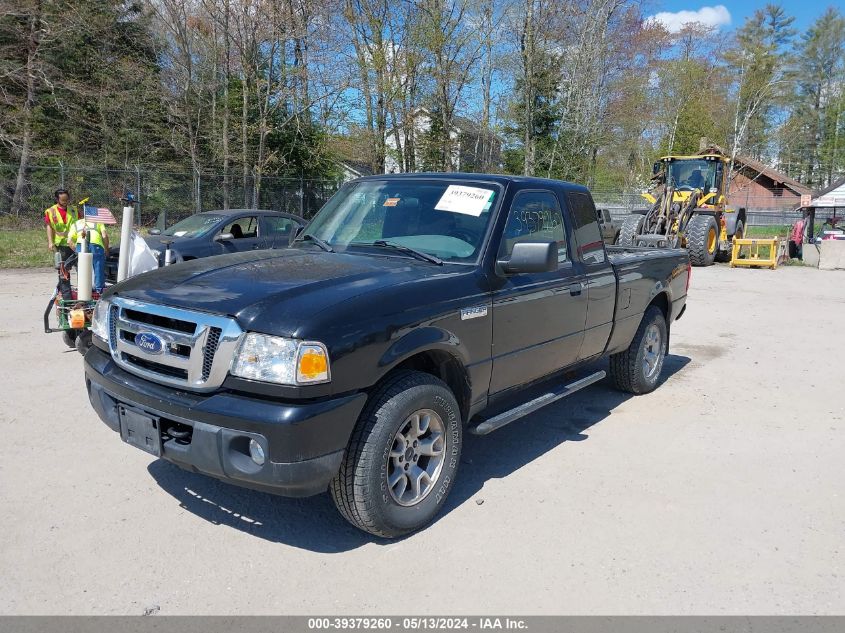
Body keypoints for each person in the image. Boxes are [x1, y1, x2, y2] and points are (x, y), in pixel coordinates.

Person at [68, 215, 109, 292]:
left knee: (82, 269)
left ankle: (83, 290)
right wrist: (106, 249)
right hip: (96, 246)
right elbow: (104, 236)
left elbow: (69, 241)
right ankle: (99, 290)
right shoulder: (98, 222)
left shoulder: (76, 224)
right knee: (98, 267)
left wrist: (77, 251)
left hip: (81, 245)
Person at [44, 189, 80, 264]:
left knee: (79, 264)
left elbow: (80, 223)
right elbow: (49, 227)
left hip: (74, 242)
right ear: (57, 199)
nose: (65, 202)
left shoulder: (74, 210)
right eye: (63, 200)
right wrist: (50, 242)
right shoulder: (50, 211)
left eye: (67, 199)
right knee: (63, 266)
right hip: (60, 244)